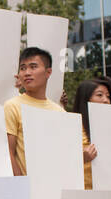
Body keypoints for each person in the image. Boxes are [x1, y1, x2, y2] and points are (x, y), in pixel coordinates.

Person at [4, 47, 65, 178]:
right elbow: (8, 151)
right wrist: (22, 188)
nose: (27, 73)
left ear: (48, 72)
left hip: (53, 185)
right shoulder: (12, 106)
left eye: (33, 67)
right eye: (23, 68)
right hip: (25, 191)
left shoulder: (59, 111)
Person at [71, 78, 111, 190]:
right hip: (81, 193)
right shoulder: (72, 126)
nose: (106, 100)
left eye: (108, 96)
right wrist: (81, 158)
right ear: (85, 98)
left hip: (109, 192)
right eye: (100, 95)